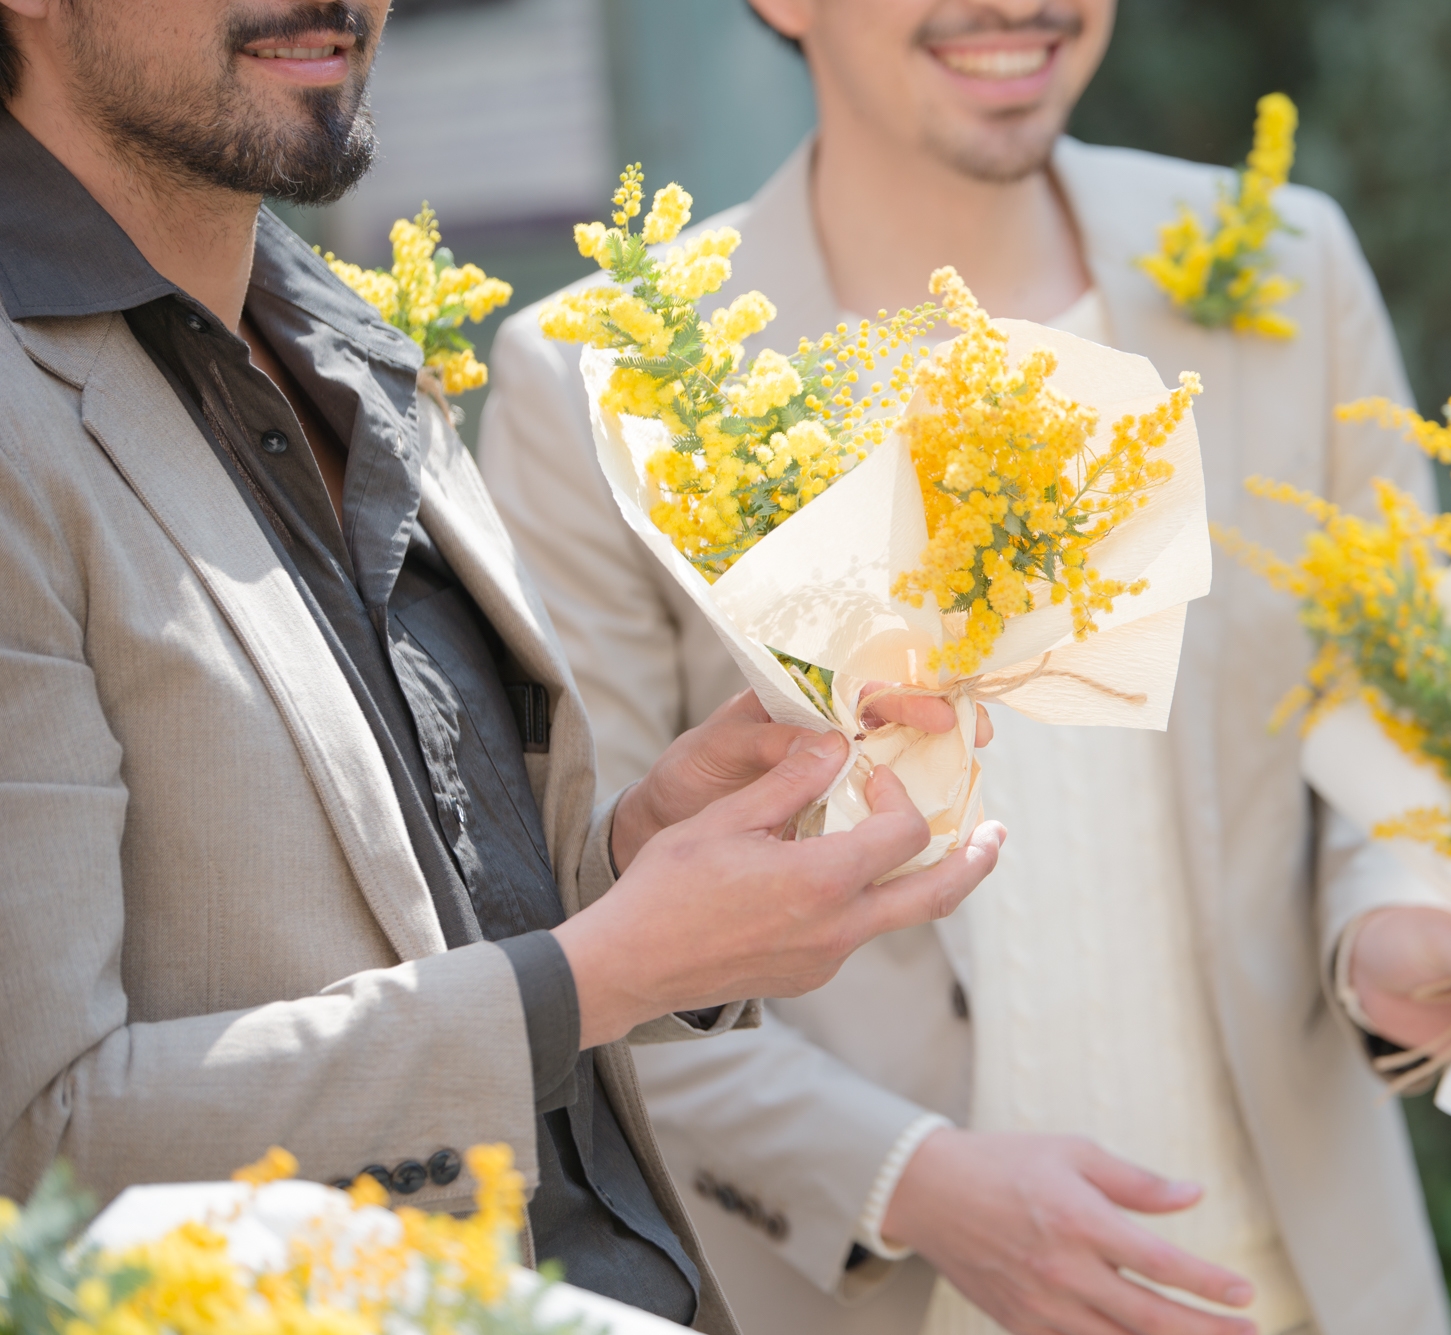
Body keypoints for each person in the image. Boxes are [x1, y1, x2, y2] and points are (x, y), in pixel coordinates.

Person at [478, 2, 1451, 1332]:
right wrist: (909, 1184)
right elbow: (587, 935)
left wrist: (1391, 915)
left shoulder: (1288, 269)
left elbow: (1391, 720)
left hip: (1297, 1291)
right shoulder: (601, 378)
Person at [0, 4, 1004, 1333]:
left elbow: (422, 921)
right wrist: (603, 972)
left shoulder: (343, 347)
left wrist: (633, 867)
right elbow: (40, 1147)